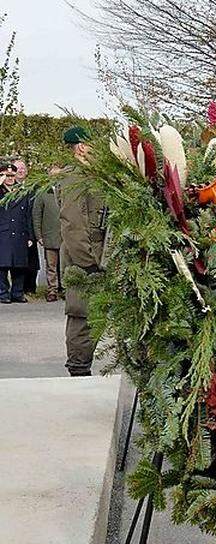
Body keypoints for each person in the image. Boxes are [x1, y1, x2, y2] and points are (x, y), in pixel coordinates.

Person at [58, 127, 109, 376]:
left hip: (95, 256)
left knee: (93, 315)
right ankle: (78, 369)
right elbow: (73, 223)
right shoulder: (74, 177)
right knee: (81, 315)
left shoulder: (89, 175)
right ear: (80, 147)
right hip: (84, 260)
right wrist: (88, 262)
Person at [0, 162, 34, 303]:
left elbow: (28, 214)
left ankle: (17, 293)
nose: (10, 178)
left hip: (20, 233)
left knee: (19, 266)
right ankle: (3, 294)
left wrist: (30, 235)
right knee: (2, 266)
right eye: (6, 176)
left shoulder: (22, 191)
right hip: (4, 233)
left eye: (12, 176)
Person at [32, 166, 64, 302]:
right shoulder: (43, 193)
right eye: (54, 176)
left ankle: (66, 290)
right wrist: (39, 235)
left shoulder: (67, 191)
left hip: (65, 236)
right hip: (49, 235)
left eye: (59, 176)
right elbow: (36, 215)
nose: (56, 178)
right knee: (51, 266)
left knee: (65, 266)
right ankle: (52, 291)